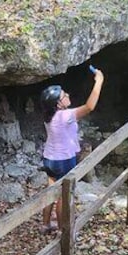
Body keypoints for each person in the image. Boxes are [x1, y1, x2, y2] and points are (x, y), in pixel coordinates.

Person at [40, 68, 105, 232]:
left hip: (49, 158)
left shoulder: (49, 116)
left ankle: (46, 224)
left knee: (50, 192)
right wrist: (99, 81)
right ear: (58, 104)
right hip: (64, 160)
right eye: (64, 95)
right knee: (63, 196)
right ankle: (63, 233)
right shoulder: (65, 116)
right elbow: (90, 106)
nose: (67, 94)